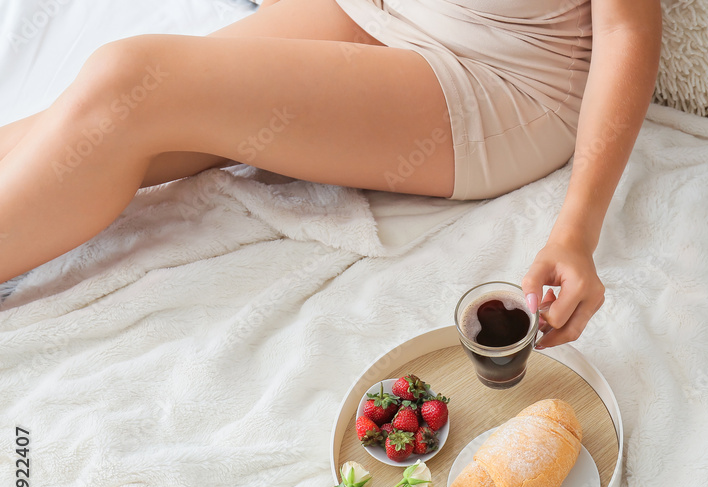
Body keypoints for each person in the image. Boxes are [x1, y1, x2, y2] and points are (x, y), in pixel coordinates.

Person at [0, 0, 661, 348]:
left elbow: (628, 28)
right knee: (102, 109)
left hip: (497, 72)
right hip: (378, 9)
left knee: (129, 86)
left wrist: (576, 229)